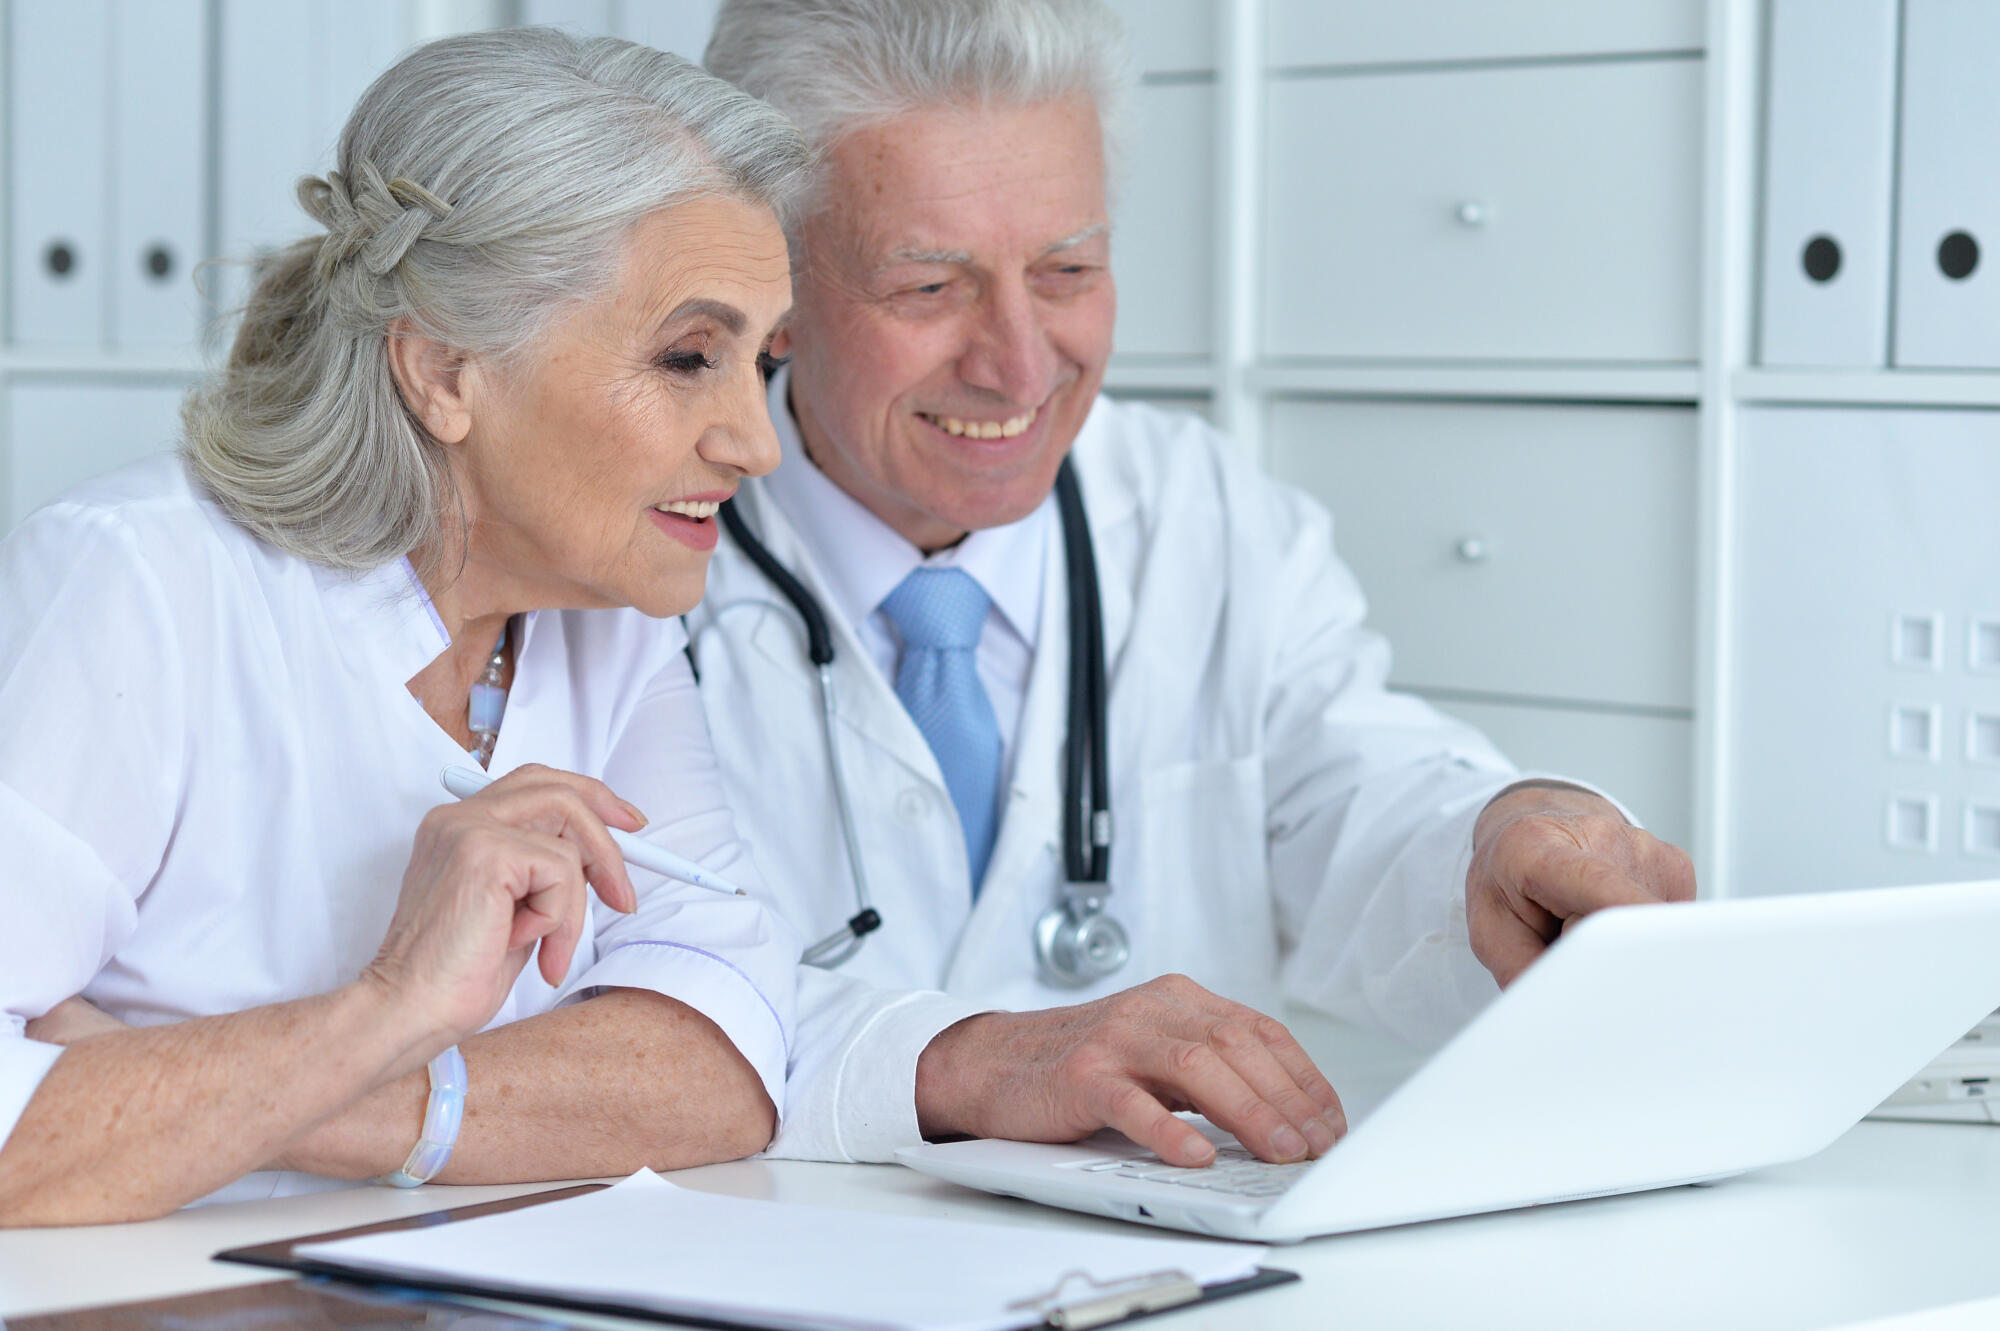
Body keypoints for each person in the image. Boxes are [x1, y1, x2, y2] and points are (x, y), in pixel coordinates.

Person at [692, 0, 1696, 1170]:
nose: (1018, 361)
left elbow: (1352, 792)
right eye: (928, 290)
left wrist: (1502, 833)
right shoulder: (622, 563)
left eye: (1067, 270)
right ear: (768, 280)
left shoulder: (1200, 513)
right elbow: (591, 996)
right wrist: (961, 1057)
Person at [0, 28, 804, 1225]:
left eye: (762, 362)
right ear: (442, 372)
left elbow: (726, 1052)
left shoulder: (610, 616)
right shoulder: (137, 585)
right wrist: (389, 1004)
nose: (756, 441)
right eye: (689, 356)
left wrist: (249, 1096)